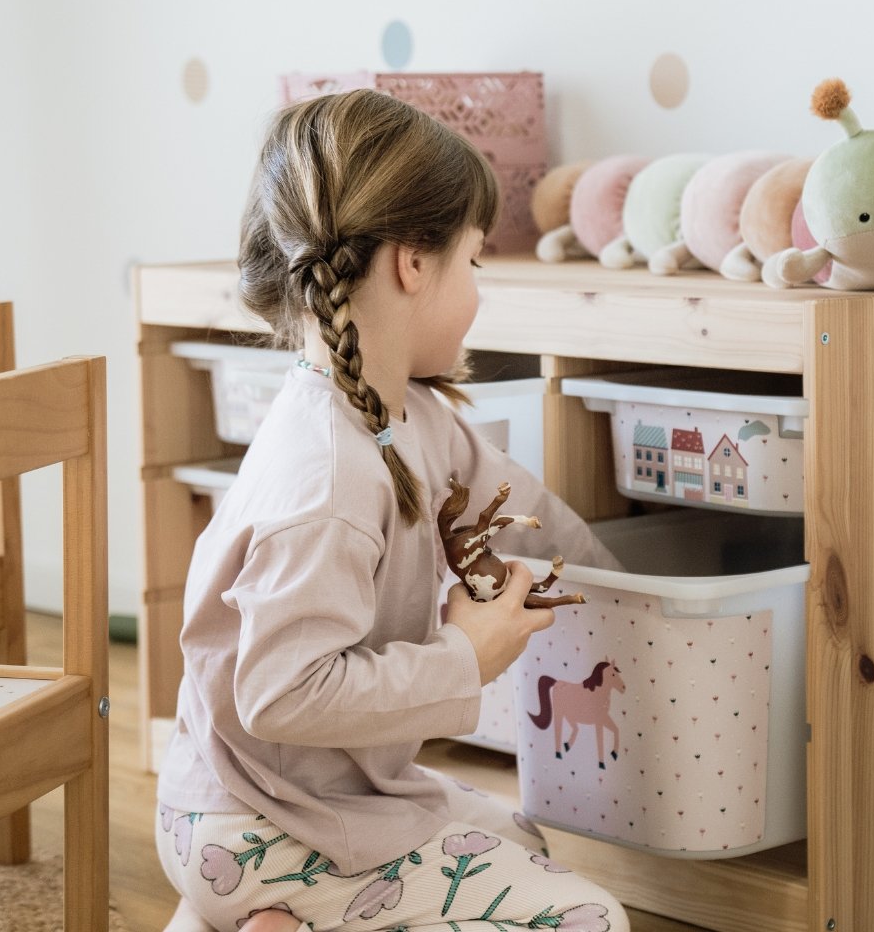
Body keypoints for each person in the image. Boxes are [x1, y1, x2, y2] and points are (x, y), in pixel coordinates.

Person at [155, 89, 630, 932]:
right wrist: (464, 655)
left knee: (522, 837)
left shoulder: (403, 413)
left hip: (307, 793)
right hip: (256, 823)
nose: (479, 289)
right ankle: (261, 910)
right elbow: (281, 694)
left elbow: (523, 505)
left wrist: (628, 591)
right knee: (588, 919)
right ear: (414, 262)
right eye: (474, 261)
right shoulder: (327, 478)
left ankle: (254, 919)